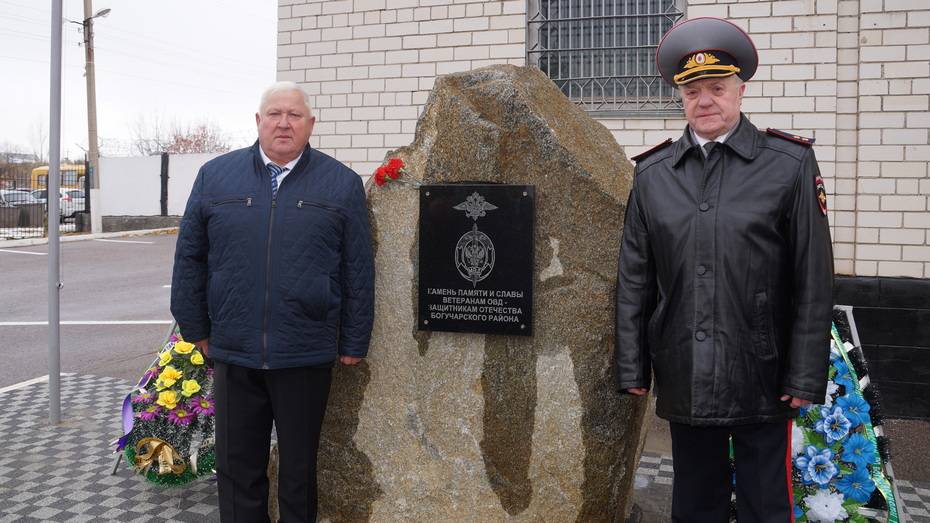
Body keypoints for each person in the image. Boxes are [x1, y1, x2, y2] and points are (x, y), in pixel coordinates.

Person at [614, 17, 834, 522]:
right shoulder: (653, 175)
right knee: (694, 505)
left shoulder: (788, 163)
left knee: (765, 505)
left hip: (763, 371)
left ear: (740, 90)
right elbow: (635, 279)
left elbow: (813, 278)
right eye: (693, 90)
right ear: (680, 97)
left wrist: (804, 374)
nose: (704, 100)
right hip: (685, 368)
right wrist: (632, 364)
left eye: (717, 87)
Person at [171, 81, 374, 522]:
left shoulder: (341, 183)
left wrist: (354, 341)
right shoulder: (215, 176)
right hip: (235, 349)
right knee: (237, 467)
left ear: (311, 125)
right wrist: (197, 329)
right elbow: (190, 256)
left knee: (299, 471)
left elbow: (357, 268)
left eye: (295, 115)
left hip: (305, 350)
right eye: (275, 114)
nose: (284, 123)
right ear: (258, 121)